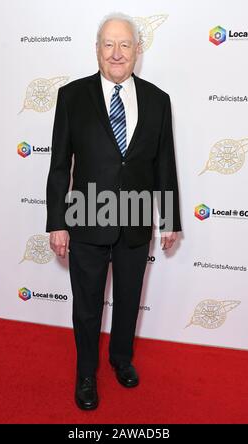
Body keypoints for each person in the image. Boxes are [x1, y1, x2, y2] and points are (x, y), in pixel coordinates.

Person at [46, 12, 182, 410]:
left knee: (127, 300)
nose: (117, 53)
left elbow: (164, 165)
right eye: (109, 44)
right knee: (87, 306)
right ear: (97, 50)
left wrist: (169, 218)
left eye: (125, 45)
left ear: (138, 51)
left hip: (136, 223)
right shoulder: (72, 97)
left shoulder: (158, 100)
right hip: (87, 220)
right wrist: (57, 222)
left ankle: (121, 359)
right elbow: (59, 165)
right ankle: (86, 373)